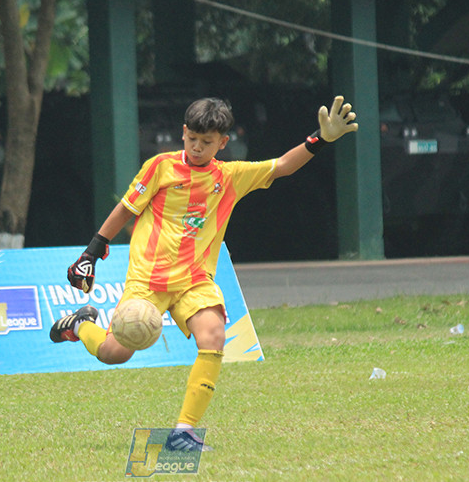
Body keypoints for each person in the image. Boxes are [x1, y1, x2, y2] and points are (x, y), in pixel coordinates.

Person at [49, 96, 358, 452]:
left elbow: (282, 166)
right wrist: (92, 251)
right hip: (148, 280)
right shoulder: (159, 167)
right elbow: (125, 210)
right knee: (114, 353)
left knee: (213, 337)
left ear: (222, 142)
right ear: (183, 133)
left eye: (207, 142)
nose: (197, 147)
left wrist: (319, 139)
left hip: (195, 281)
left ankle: (183, 432)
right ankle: (79, 325)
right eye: (192, 138)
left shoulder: (229, 177)